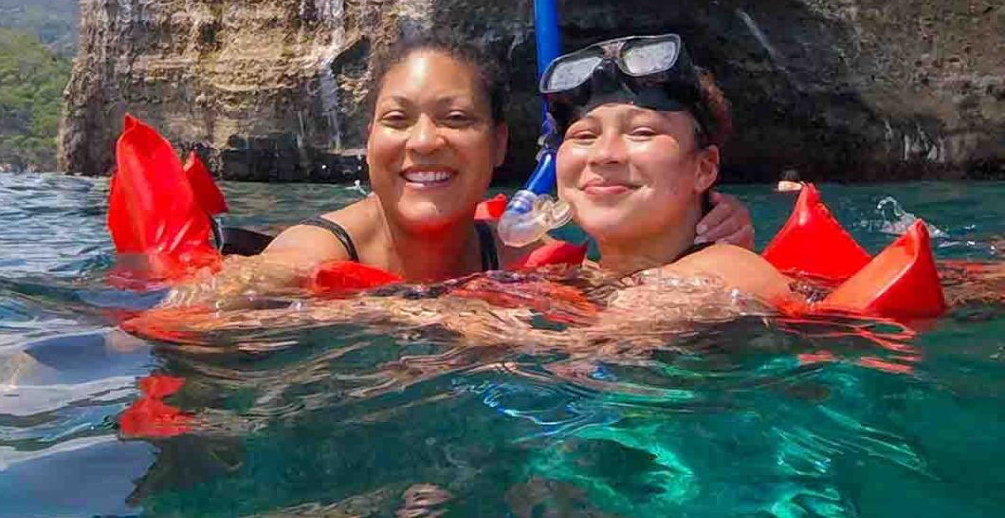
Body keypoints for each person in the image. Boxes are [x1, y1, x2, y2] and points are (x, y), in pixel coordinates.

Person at [168, 35, 755, 306]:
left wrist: (708, 231)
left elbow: (638, 277)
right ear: (369, 140)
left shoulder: (525, 253)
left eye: (455, 119)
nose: (424, 142)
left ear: (500, 144)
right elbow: (226, 303)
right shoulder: (314, 249)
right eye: (397, 119)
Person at [541, 33, 789, 309]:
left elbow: (608, 338)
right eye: (585, 136)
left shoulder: (731, 273)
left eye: (642, 132)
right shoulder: (567, 277)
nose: (604, 155)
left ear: (703, 168)